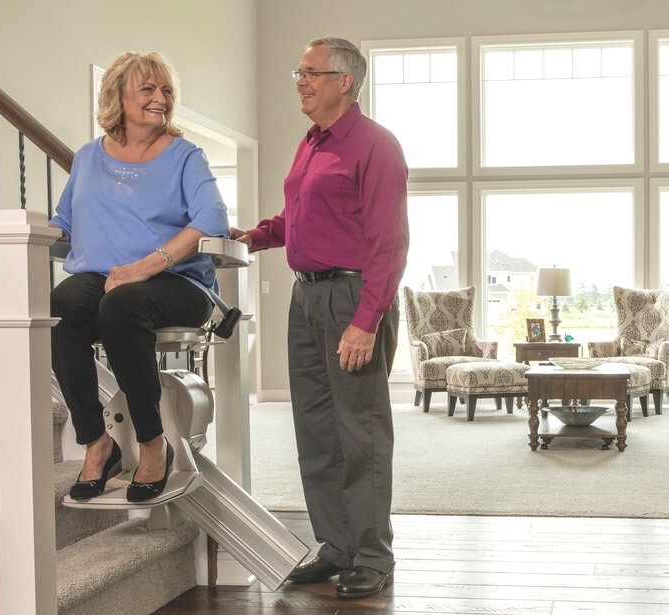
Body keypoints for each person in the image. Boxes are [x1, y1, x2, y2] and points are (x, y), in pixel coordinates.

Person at [231, 37, 408, 599]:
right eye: (298, 72)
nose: (300, 82)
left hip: (353, 296)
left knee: (361, 431)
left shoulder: (375, 146)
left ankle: (374, 555)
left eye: (310, 73)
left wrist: (366, 319)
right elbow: (298, 217)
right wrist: (252, 237)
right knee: (314, 427)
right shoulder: (311, 143)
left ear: (344, 80)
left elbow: (390, 245)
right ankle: (336, 546)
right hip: (305, 298)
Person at [50, 51, 229, 503]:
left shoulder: (186, 156)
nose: (160, 99)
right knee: (64, 305)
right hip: (107, 278)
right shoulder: (88, 157)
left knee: (122, 305)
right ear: (118, 97)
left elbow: (212, 219)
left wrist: (144, 267)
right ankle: (97, 443)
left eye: (166, 90)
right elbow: (65, 222)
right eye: (147, 89)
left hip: (178, 282)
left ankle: (152, 443)